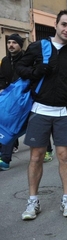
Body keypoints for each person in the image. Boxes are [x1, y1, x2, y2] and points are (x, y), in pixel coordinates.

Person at [16, 9, 67, 220]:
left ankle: (66, 200)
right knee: (36, 157)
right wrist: (35, 72)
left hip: (63, 112)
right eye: (64, 24)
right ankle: (32, 202)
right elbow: (20, 67)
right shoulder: (38, 47)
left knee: (65, 157)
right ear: (56, 24)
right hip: (39, 111)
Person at [0, 33, 25, 170]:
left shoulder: (26, 59)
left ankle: (46, 149)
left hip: (23, 98)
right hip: (8, 97)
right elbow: (1, 77)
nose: (11, 45)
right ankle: (4, 156)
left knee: (27, 125)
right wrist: (2, 89)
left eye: (14, 43)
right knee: (6, 124)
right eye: (9, 42)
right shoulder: (4, 60)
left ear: (20, 45)